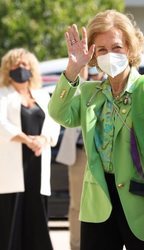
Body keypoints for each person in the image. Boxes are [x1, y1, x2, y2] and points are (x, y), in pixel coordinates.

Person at [48, 9, 144, 250]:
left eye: (116, 47)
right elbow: (58, 113)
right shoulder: (89, 94)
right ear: (93, 54)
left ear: (130, 48)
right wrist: (73, 69)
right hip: (99, 205)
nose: (109, 55)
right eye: (102, 50)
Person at [0, 48, 60, 250]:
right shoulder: (3, 95)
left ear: (32, 69)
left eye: (25, 65)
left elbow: (54, 122)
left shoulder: (43, 96)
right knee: (11, 222)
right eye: (16, 65)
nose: (21, 68)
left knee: (37, 219)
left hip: (37, 163)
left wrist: (42, 139)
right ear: (8, 69)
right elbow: (1, 124)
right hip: (12, 169)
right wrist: (27, 140)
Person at [56, 65, 88, 250]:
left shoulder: (113, 79)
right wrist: (79, 75)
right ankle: (76, 246)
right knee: (77, 204)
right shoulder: (76, 80)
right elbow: (65, 105)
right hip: (79, 153)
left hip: (105, 153)